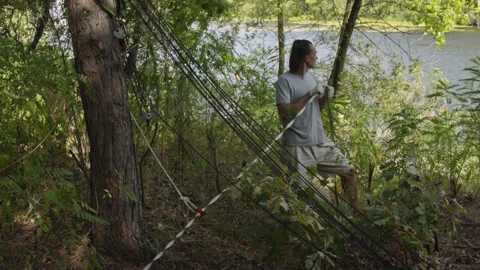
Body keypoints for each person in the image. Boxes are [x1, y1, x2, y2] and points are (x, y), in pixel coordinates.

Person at [275, 39, 359, 207]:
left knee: (349, 172)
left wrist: (326, 97)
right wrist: (308, 94)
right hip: (297, 147)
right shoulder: (284, 81)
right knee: (302, 197)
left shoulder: (311, 76)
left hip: (319, 141)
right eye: (315, 54)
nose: (317, 57)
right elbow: (286, 115)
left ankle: (357, 215)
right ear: (306, 57)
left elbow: (316, 108)